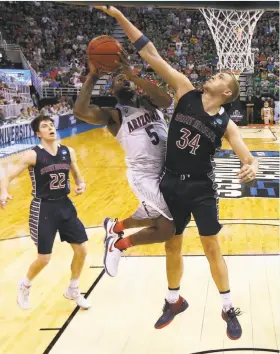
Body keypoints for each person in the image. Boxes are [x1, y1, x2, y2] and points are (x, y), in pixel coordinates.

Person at [95, 6, 259, 340]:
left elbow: (245, 152)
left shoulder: (225, 123)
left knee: (212, 247)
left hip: (201, 188)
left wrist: (251, 164)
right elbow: (150, 52)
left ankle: (227, 307)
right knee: (172, 244)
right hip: (170, 182)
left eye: (218, 78)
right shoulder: (185, 90)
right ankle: (174, 300)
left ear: (226, 92)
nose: (211, 77)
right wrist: (118, 16)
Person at [74, 54, 187, 306]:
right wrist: (93, 76)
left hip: (167, 171)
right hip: (144, 176)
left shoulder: (150, 102)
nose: (122, 80)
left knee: (162, 227)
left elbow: (167, 98)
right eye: (117, 79)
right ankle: (118, 245)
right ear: (112, 89)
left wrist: (134, 75)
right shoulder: (114, 115)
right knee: (168, 226)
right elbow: (81, 111)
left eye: (124, 77)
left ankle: (114, 228)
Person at [0, 115, 90, 310]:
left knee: (81, 250)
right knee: (44, 258)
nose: (50, 127)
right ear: (37, 134)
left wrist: (81, 184)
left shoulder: (68, 151)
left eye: (51, 124)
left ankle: (73, 289)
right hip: (43, 208)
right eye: (44, 126)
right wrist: (4, 191)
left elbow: (76, 175)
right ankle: (25, 285)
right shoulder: (32, 155)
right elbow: (7, 174)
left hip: (65, 205)